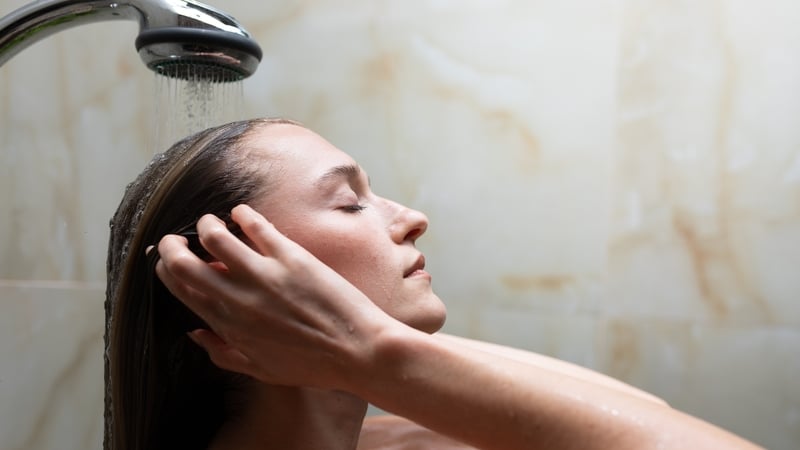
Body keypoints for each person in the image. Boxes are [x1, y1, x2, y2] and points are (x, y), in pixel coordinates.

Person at [106, 117, 761, 449]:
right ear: (234, 284)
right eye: (349, 203)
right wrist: (368, 352)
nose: (412, 218)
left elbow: (652, 422)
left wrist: (365, 346)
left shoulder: (398, 436)